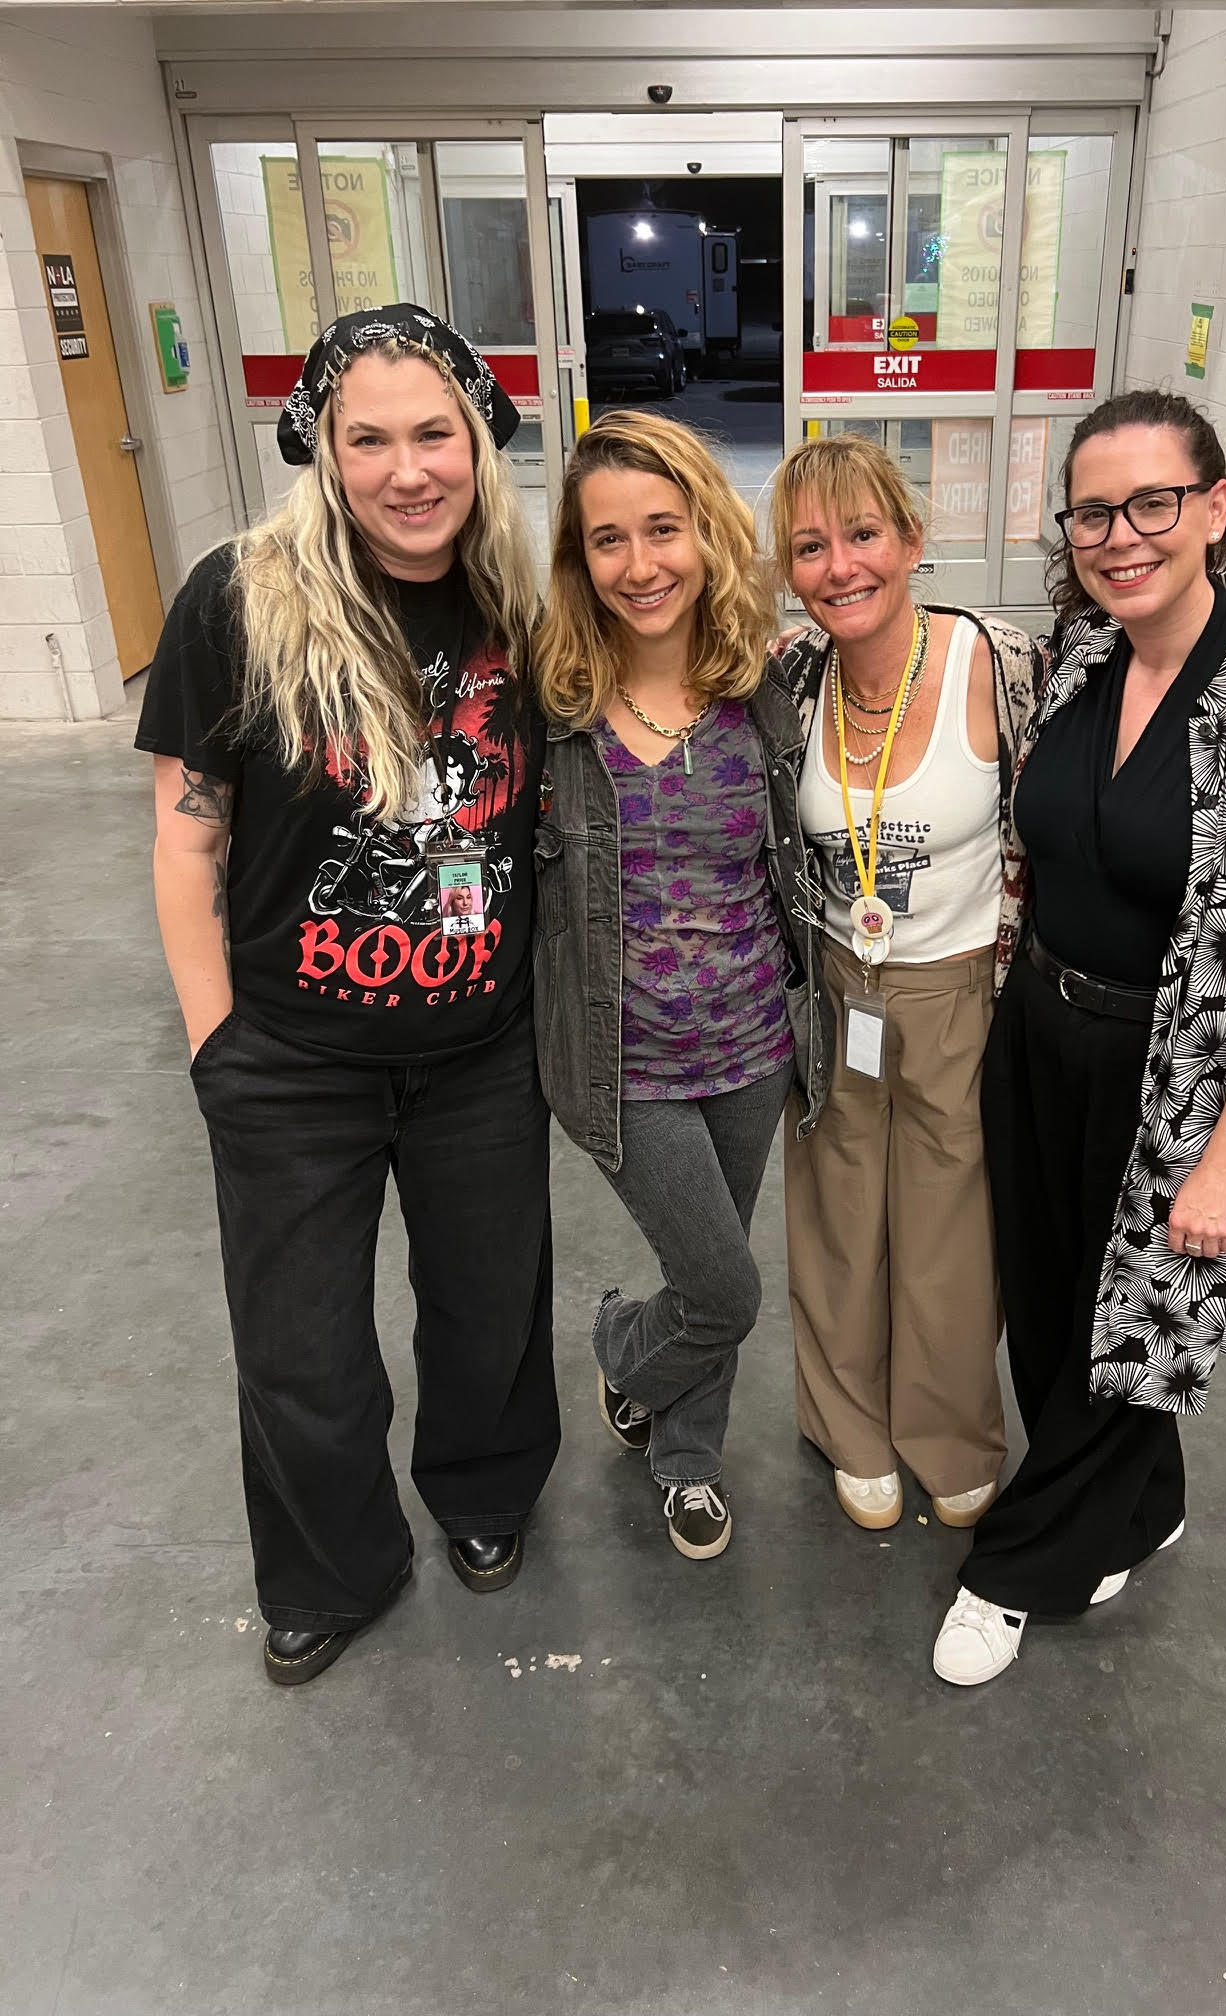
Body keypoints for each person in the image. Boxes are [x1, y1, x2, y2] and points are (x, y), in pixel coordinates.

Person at [136, 306, 558, 1686]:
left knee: (490, 1313)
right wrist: (215, 1045)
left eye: (434, 434)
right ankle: (332, 1566)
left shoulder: (523, 599)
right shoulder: (238, 598)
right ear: (320, 447)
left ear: (479, 439)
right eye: (367, 439)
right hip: (290, 1060)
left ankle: (485, 1491)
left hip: (482, 1052)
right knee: (300, 1347)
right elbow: (186, 839)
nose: (407, 471)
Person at [932, 388, 1226, 1686]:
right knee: (1051, 1306)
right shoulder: (1085, 654)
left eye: (1152, 504)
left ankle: (1020, 1571)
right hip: (1037, 1032)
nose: (1120, 536)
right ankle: (1143, 1501)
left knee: (1130, 1324)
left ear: (1215, 508)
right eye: (1092, 513)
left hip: (1171, 1072)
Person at [533, 410, 830, 1561]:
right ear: (580, 558)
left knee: (712, 1262)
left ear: (707, 532)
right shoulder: (555, 712)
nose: (640, 564)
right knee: (723, 1289)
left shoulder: (766, 691)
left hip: (751, 1046)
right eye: (608, 539)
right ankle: (623, 1348)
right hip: (625, 1063)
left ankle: (687, 1456)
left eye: (663, 529)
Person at [767, 434, 1037, 1535]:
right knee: (837, 1213)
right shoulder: (790, 678)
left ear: (912, 539)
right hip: (836, 984)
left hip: (961, 987)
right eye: (810, 547)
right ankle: (850, 1428)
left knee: (952, 1224)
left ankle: (950, 1431)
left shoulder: (998, 665)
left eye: (863, 534)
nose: (840, 567)